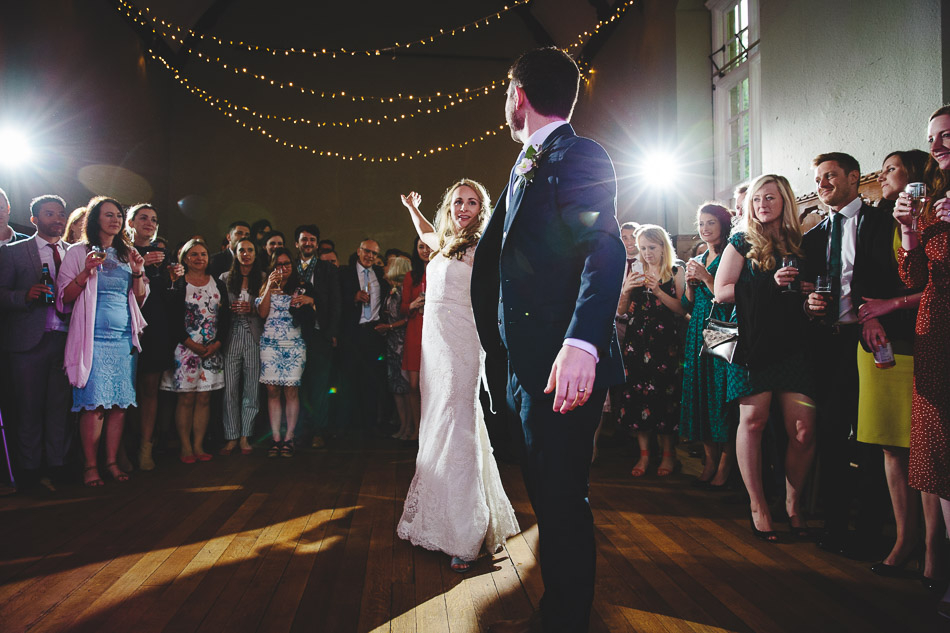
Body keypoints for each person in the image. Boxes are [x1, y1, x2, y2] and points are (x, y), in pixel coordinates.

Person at [470, 47, 625, 633]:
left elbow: (604, 247)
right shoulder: (523, 164)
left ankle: (566, 619)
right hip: (518, 363)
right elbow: (501, 265)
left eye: (504, 91)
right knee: (544, 491)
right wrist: (494, 351)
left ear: (518, 94)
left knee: (561, 499)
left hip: (562, 364)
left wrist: (583, 342)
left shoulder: (579, 153)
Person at [397, 179, 519, 575]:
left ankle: (466, 534)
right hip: (435, 348)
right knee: (438, 425)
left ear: (481, 209)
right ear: (448, 206)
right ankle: (439, 522)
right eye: (456, 202)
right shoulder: (447, 244)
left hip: (462, 347)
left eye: (471, 202)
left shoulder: (482, 248)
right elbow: (428, 234)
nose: (462, 208)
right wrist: (413, 209)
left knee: (457, 425)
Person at [714, 174, 816, 543]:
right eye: (757, 198)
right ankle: (758, 505)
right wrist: (769, 284)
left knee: (803, 430)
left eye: (771, 198)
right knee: (753, 421)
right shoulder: (741, 241)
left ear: (784, 201)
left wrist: (806, 291)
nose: (763, 204)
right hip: (754, 344)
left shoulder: (800, 242)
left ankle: (793, 503)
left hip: (792, 343)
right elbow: (722, 291)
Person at [854, 150, 941, 581]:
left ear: (915, 176)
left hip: (919, 334)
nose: (882, 175)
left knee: (923, 449)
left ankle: (932, 550)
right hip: (878, 337)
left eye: (891, 168)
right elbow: (859, 278)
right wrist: (868, 318)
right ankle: (903, 539)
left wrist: (889, 307)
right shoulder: (875, 220)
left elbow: (931, 282)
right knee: (891, 446)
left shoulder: (930, 216)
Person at [802, 152, 893, 558]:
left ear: (854, 178)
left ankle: (872, 530)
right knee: (833, 435)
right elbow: (804, 296)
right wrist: (810, 307)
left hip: (871, 340)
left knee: (872, 439)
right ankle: (836, 525)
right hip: (830, 343)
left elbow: (894, 278)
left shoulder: (880, 223)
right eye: (818, 179)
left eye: (830, 177)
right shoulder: (814, 236)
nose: (822, 185)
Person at [893, 106, 950, 608]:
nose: (938, 146)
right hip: (935, 335)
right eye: (932, 138)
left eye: (947, 136)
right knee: (937, 451)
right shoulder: (933, 200)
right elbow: (914, 278)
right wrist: (911, 231)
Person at [58, 196, 148, 486]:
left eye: (118, 216)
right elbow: (63, 299)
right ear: (96, 218)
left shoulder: (127, 253)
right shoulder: (76, 251)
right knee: (94, 404)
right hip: (91, 338)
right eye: (109, 215)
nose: (115, 220)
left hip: (123, 338)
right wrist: (86, 271)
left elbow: (140, 298)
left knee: (119, 405)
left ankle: (110, 461)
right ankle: (90, 465)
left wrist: (137, 272)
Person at [0, 195, 71, 488]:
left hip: (66, 340)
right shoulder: (14, 252)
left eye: (61, 214)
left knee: (60, 410)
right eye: (49, 213)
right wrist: (24, 295)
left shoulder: (75, 253)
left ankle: (57, 468)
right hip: (28, 342)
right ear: (34, 220)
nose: (57, 219)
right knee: (28, 410)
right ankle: (29, 471)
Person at [617, 224, 686, 478]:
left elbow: (681, 309)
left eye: (651, 248)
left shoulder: (676, 271)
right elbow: (623, 310)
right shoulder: (635, 270)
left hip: (664, 342)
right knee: (637, 396)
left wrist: (657, 290)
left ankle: (669, 454)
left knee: (665, 397)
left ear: (663, 246)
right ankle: (644, 454)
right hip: (637, 341)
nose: (646, 253)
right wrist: (625, 290)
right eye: (643, 248)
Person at [680, 203, 736, 488]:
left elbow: (726, 295)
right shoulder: (699, 255)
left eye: (711, 222)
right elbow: (686, 304)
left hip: (721, 326)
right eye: (701, 223)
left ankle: (726, 463)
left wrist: (705, 277)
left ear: (723, 224)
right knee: (699, 392)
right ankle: (709, 460)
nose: (705, 228)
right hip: (696, 328)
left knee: (718, 393)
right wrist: (690, 283)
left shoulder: (731, 253)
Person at [160, 238, 230, 463]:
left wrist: (217, 344)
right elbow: (170, 317)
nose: (199, 258)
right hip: (185, 348)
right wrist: (191, 344)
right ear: (185, 258)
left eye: (203, 254)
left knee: (204, 399)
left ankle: (199, 445)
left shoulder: (217, 283)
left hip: (211, 348)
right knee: (187, 399)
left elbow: (226, 316)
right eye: (194, 254)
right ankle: (186, 446)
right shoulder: (178, 281)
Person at [126, 203, 173, 470]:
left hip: (155, 326)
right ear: (130, 223)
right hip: (127, 325)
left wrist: (172, 278)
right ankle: (123, 448)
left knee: (149, 388)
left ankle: (146, 447)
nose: (150, 223)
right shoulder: (123, 252)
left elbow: (169, 297)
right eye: (143, 218)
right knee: (126, 387)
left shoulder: (162, 254)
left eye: (154, 219)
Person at [257, 247, 315, 457]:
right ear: (273, 267)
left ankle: (289, 437)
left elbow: (313, 311)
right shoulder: (266, 285)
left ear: (293, 265)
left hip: (294, 343)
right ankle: (275, 437)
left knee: (291, 391)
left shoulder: (301, 286)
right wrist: (269, 287)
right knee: (272, 391)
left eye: (287, 264)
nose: (283, 268)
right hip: (270, 343)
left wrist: (311, 301)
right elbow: (262, 313)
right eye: (278, 265)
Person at [293, 224, 341, 448]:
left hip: (320, 333)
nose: (308, 243)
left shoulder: (327, 269)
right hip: (292, 334)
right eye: (304, 239)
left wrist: (314, 303)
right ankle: (300, 430)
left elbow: (335, 303)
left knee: (319, 384)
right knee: (297, 384)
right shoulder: (289, 268)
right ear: (297, 243)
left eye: (312, 240)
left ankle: (319, 430)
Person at [220, 238, 265, 455]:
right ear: (235, 253)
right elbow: (217, 311)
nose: (246, 254)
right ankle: (231, 436)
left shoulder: (263, 278)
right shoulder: (224, 278)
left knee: (251, 389)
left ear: (256, 254)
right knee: (229, 389)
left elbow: (269, 311)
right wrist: (230, 308)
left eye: (250, 250)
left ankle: (246, 435)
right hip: (231, 336)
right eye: (242, 250)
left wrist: (252, 309)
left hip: (254, 336)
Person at [337, 239, 388, 432]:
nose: (370, 256)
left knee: (371, 380)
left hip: (373, 333)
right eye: (367, 251)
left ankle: (370, 425)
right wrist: (353, 297)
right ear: (358, 251)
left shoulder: (380, 277)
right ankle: (347, 426)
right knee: (349, 380)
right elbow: (335, 300)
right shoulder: (344, 273)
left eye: (374, 254)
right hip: (351, 333)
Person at [400, 235, 430, 442]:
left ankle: (431, 432)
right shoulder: (411, 276)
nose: (425, 250)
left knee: (431, 385)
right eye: (420, 246)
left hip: (433, 330)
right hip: (414, 329)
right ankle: (418, 429)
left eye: (428, 246)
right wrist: (412, 305)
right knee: (413, 385)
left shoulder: (440, 270)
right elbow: (402, 307)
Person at [377, 256, 412, 439]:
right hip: (392, 345)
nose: (384, 267)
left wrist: (389, 327)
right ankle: (403, 425)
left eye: (388, 265)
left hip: (401, 344)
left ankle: (409, 427)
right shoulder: (391, 291)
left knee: (404, 388)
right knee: (396, 388)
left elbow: (408, 318)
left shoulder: (403, 292)